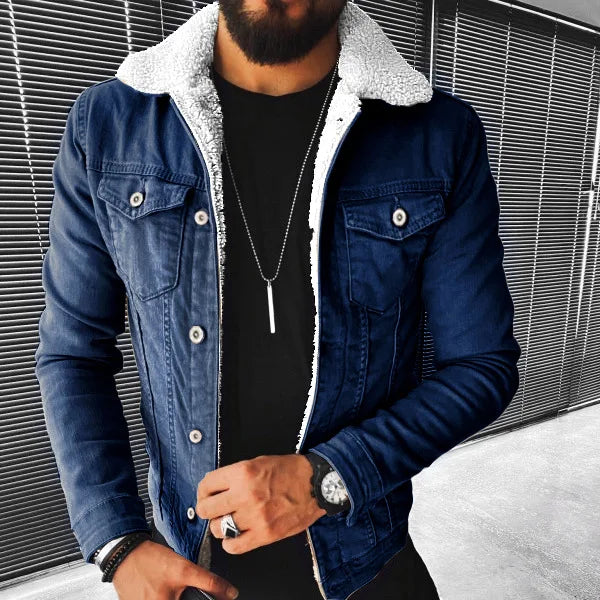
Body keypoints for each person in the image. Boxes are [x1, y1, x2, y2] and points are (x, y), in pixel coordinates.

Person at [35, 0, 521, 599]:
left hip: (368, 566)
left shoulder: (437, 134)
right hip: (189, 571)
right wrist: (118, 543)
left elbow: (481, 365)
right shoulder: (110, 125)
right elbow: (72, 354)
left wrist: (327, 479)